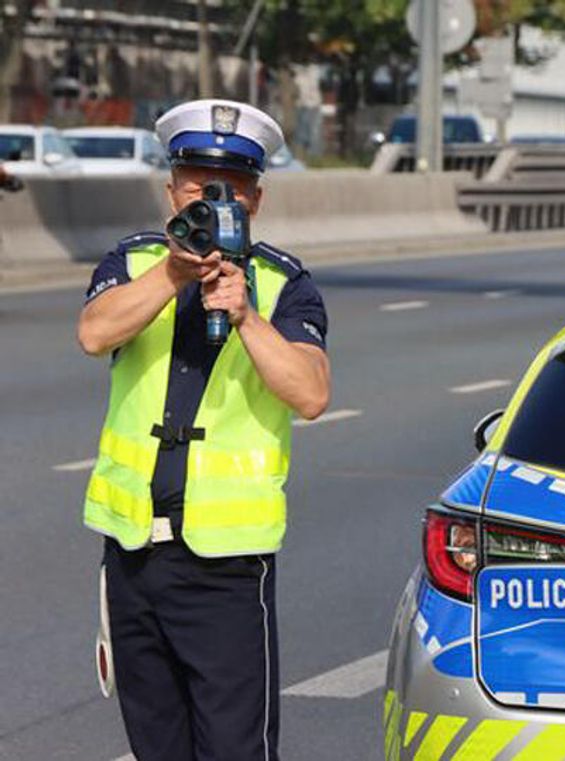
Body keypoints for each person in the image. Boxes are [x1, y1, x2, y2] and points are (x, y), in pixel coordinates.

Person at [77, 99, 330, 761]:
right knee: (155, 747)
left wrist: (246, 318)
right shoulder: (134, 264)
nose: (215, 204)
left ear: (257, 199)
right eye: (198, 188)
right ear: (171, 192)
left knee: (233, 751)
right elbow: (93, 332)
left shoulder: (283, 284)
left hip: (224, 568)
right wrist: (171, 273)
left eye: (233, 192)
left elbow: (311, 394)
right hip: (133, 554)